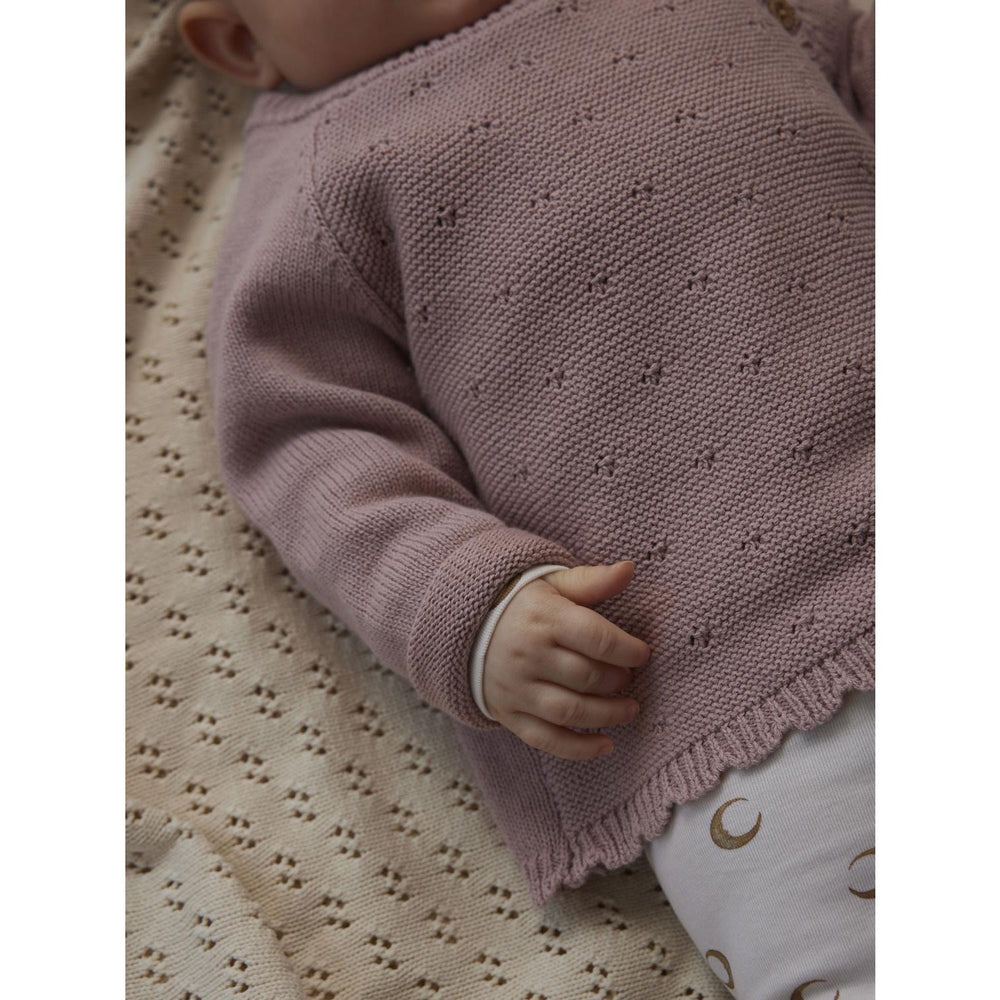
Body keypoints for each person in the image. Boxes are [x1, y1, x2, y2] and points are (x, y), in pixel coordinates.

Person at [178, 1, 876, 995]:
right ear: (241, 42)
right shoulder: (322, 171)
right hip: (733, 692)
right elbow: (306, 441)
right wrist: (472, 607)